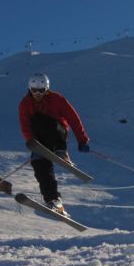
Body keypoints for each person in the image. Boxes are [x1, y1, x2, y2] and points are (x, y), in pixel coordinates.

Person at [18, 73, 90, 216]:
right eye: (34, 90)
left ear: (47, 89)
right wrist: (34, 145)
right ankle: (54, 200)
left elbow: (73, 119)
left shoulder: (56, 99)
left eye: (41, 90)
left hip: (58, 134)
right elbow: (25, 126)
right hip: (40, 141)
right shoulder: (25, 104)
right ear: (29, 89)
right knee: (40, 166)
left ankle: (61, 152)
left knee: (39, 119)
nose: (38, 94)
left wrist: (82, 140)